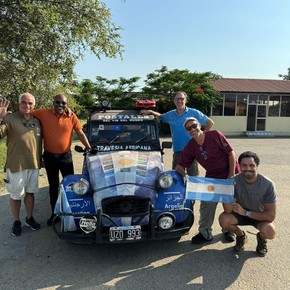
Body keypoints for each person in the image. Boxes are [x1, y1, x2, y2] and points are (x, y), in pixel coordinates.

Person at [175, 117, 240, 244]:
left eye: (194, 126)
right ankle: (205, 233)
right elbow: (179, 166)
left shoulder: (215, 135)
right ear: (187, 132)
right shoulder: (191, 146)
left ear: (199, 125)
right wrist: (186, 178)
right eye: (189, 128)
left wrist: (231, 175)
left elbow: (231, 153)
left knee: (229, 206)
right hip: (212, 177)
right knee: (206, 204)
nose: (192, 129)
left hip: (229, 173)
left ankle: (228, 230)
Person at [32, 94, 91, 225]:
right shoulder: (43, 113)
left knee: (69, 186)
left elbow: (80, 133)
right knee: (53, 186)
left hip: (66, 157)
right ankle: (55, 213)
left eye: (63, 103)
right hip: (49, 157)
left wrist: (89, 147)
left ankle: (71, 212)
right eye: (57, 102)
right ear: (53, 102)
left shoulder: (71, 116)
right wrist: (5, 115)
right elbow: (26, 111)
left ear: (66, 104)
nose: (60, 105)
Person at [140, 91, 214, 175]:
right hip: (177, 151)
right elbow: (161, 117)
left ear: (185, 100)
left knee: (193, 177)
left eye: (182, 99)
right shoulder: (171, 114)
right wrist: (151, 111)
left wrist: (203, 137)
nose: (179, 101)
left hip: (192, 150)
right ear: (174, 101)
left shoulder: (194, 113)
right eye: (177, 99)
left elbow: (210, 123)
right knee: (176, 176)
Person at [219, 151, 276, 257]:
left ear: (257, 166)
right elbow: (228, 210)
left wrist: (246, 212)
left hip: (258, 215)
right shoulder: (233, 181)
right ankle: (241, 236)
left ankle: (261, 239)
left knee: (270, 231)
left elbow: (271, 215)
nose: (248, 168)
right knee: (224, 219)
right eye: (244, 165)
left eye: (251, 165)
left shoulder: (268, 184)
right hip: (240, 213)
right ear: (239, 166)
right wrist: (225, 191)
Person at [0, 93, 42, 236]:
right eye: (24, 102)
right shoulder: (9, 119)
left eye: (30, 103)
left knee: (30, 192)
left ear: (34, 105)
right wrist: (0, 117)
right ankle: (16, 221)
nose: (27, 105)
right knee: (16, 195)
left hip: (33, 164)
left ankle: (29, 219)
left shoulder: (37, 121)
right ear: (19, 104)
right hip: (16, 165)